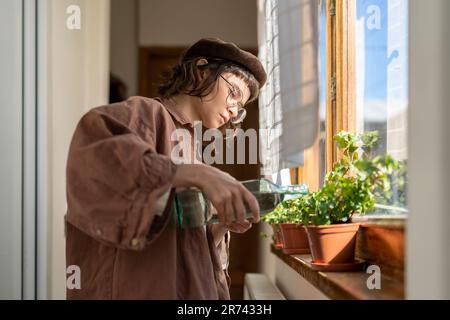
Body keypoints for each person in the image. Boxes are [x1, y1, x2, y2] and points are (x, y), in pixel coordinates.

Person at [65, 37, 267, 299]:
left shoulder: (192, 148)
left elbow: (184, 243)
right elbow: (94, 148)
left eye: (241, 108)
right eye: (234, 93)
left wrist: (220, 226)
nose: (234, 109)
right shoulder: (147, 113)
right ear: (201, 70)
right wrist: (199, 175)